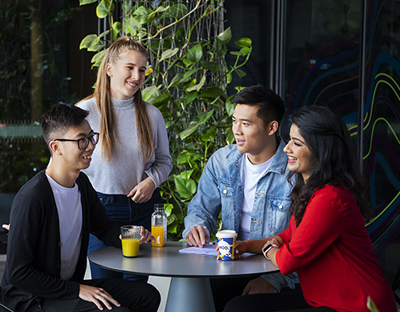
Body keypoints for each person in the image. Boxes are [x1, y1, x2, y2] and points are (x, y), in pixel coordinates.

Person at [224, 106, 397, 312]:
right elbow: (289, 236)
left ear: (320, 151)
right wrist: (246, 246)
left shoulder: (330, 198)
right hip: (323, 299)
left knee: (240, 309)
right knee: (237, 304)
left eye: (296, 143)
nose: (286, 148)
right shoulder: (313, 191)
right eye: (289, 140)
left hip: (356, 305)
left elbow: (288, 261)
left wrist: (269, 249)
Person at [1, 104, 161, 312]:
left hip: (67, 288)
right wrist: (75, 290)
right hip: (33, 298)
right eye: (81, 140)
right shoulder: (32, 197)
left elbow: (103, 227)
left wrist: (126, 236)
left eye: (91, 137)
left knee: (146, 295)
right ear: (56, 147)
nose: (91, 146)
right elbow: (18, 273)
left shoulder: (82, 184)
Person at [183, 85, 298, 311]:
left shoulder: (294, 171)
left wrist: (275, 280)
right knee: (195, 298)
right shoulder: (222, 162)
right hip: (231, 264)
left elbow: (302, 241)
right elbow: (201, 210)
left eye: (246, 124)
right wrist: (197, 226)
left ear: (271, 127)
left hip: (276, 269)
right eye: (235, 121)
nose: (236, 130)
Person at [77, 36, 172, 280]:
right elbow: (64, 165)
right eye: (129, 68)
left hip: (142, 210)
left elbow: (164, 161)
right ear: (109, 69)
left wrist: (151, 181)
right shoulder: (83, 113)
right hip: (101, 211)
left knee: (138, 290)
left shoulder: (152, 115)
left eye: (142, 70)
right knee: (106, 290)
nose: (137, 76)